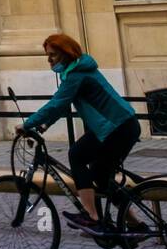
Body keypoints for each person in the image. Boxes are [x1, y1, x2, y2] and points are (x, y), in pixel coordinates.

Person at [18, 33, 142, 235]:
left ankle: (91, 216)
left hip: (116, 128)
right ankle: (135, 225)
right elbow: (62, 106)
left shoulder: (76, 75)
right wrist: (42, 126)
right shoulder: (78, 70)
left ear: (66, 54)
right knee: (101, 178)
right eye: (47, 55)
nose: (49, 60)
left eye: (53, 55)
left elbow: (57, 103)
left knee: (77, 155)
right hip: (119, 126)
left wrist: (27, 124)